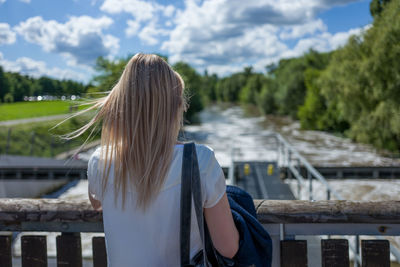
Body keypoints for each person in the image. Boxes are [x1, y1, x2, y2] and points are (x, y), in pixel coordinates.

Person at [77, 53, 239, 266]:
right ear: (176, 108)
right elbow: (228, 248)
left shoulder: (100, 161)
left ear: (121, 105)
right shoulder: (200, 160)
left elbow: (97, 204)